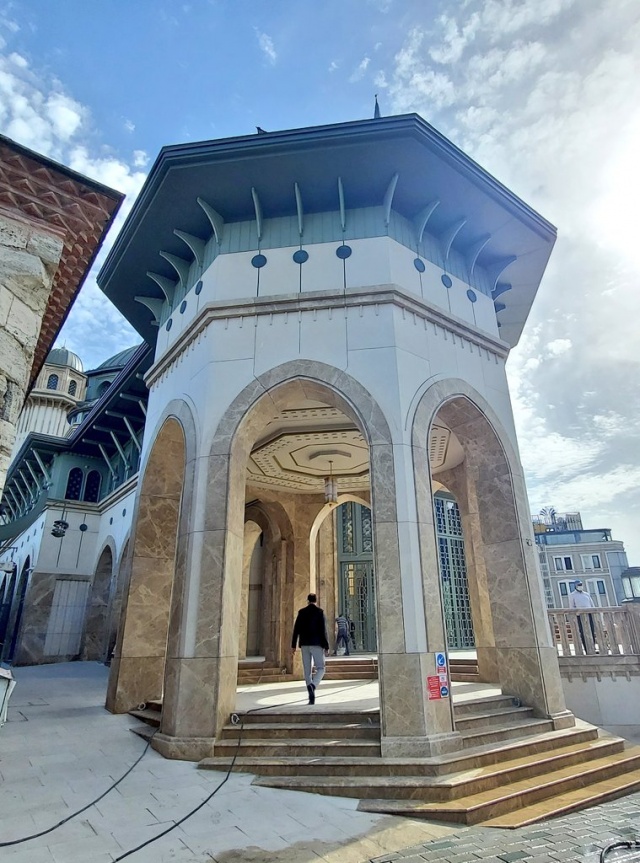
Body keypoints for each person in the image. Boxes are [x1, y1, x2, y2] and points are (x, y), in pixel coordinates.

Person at [291, 593, 329, 704]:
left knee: (307, 671)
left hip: (304, 644)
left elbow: (296, 630)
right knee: (321, 668)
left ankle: (311, 697)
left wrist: (293, 645)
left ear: (307, 600)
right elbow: (323, 631)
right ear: (316, 601)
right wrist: (326, 646)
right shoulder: (319, 612)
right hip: (316, 644)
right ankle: (313, 685)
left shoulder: (301, 612)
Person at [569, 580, 597, 653]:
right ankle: (586, 649)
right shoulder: (572, 595)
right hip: (580, 616)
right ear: (575, 586)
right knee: (583, 632)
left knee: (592, 631)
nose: (580, 586)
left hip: (589, 614)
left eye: (581, 584)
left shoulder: (587, 594)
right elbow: (572, 607)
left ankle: (593, 648)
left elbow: (591, 604)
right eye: (578, 585)